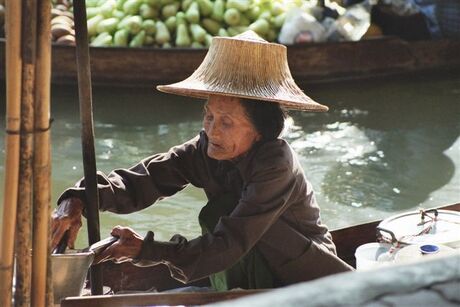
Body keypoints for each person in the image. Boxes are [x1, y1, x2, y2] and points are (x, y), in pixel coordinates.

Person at [51, 30, 353, 291]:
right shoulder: (206, 148)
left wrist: (148, 250)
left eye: (226, 122)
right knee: (218, 214)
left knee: (222, 214)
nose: (212, 129)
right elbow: (142, 181)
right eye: (209, 116)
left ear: (260, 131)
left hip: (304, 276)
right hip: (245, 267)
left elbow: (230, 241)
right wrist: (78, 198)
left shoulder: (275, 163)